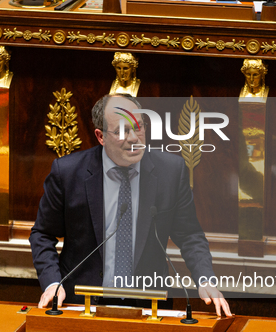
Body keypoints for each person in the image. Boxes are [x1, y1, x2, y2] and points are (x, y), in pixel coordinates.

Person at [30, 95, 232, 317]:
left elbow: (190, 235)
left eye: (139, 128)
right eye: (121, 131)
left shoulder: (170, 172)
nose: (133, 138)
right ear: (101, 136)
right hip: (81, 302)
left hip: (149, 305)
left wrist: (205, 278)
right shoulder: (68, 173)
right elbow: (42, 234)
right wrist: (52, 283)